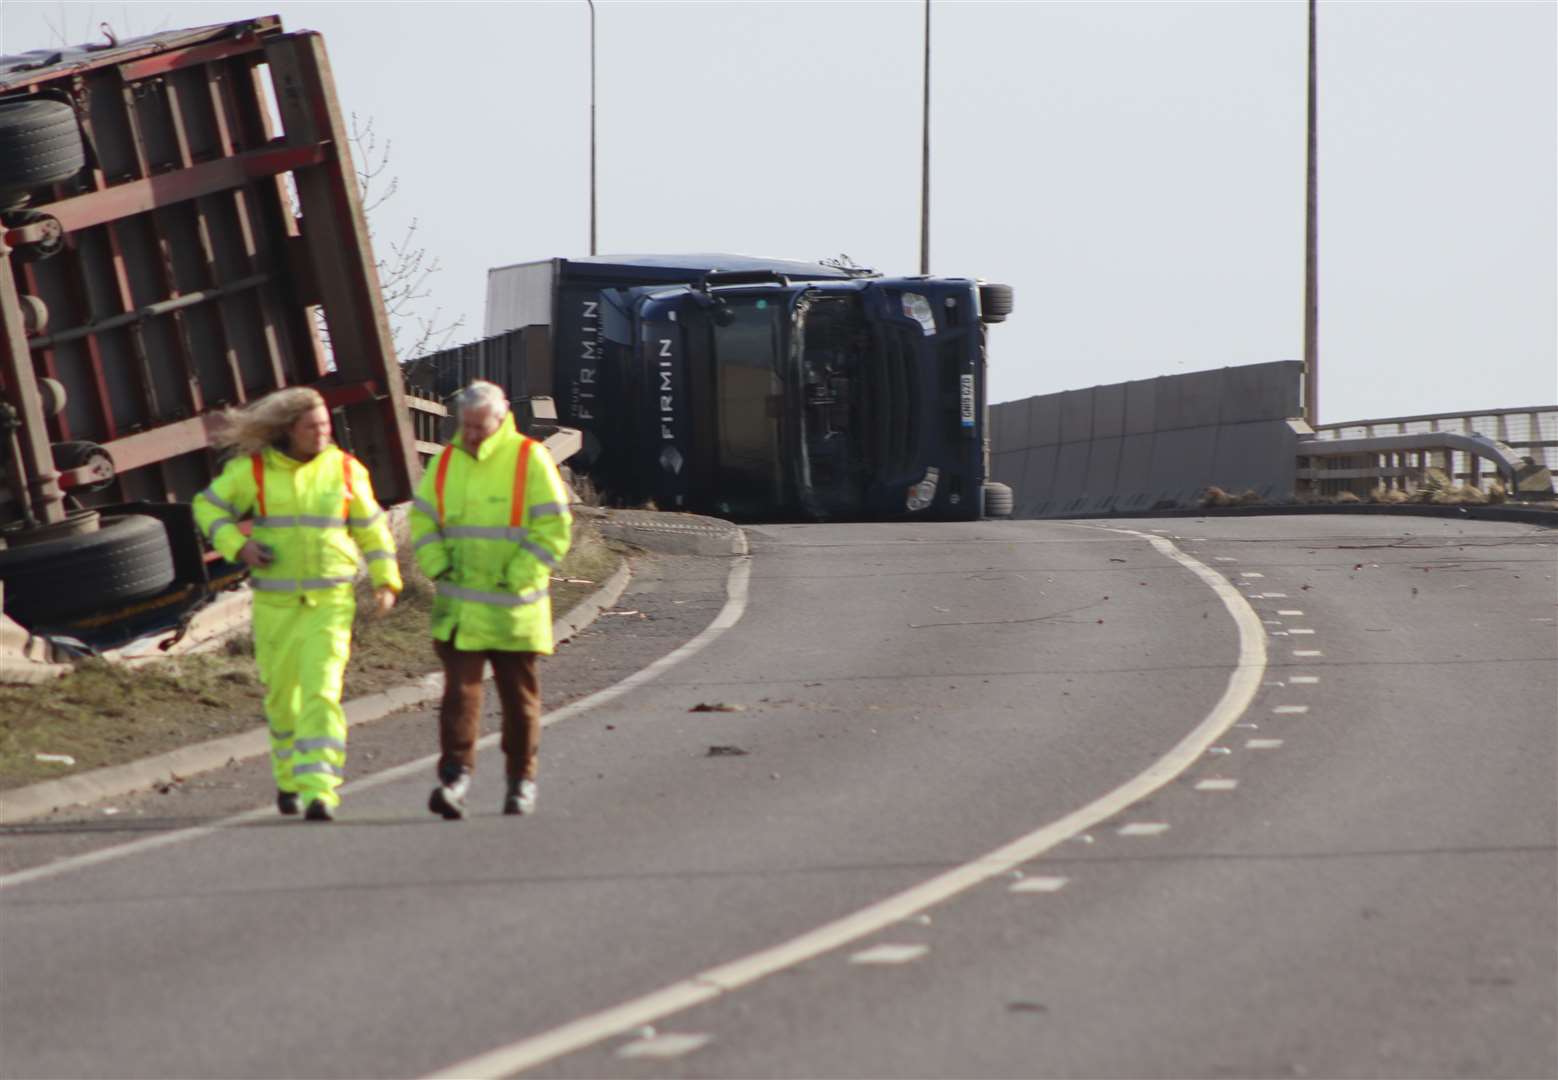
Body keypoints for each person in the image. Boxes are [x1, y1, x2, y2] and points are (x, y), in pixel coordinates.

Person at [193, 387, 401, 822]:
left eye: (326, 425)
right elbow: (207, 508)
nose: (322, 432)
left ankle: (320, 789)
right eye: (312, 426)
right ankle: (289, 778)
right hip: (276, 604)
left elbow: (373, 530)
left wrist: (386, 580)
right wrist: (238, 546)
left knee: (322, 690)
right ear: (289, 430)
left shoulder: (345, 470)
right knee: (284, 698)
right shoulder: (253, 472)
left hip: (331, 600)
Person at [409, 380, 572, 819]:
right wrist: (437, 563)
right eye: (466, 426)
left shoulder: (528, 459)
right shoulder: (446, 464)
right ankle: (454, 778)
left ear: (500, 421)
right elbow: (422, 521)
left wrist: (517, 575)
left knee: (520, 702)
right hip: (461, 608)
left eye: (480, 427)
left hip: (514, 609)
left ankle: (521, 781)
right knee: (459, 696)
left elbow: (553, 528)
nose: (472, 435)